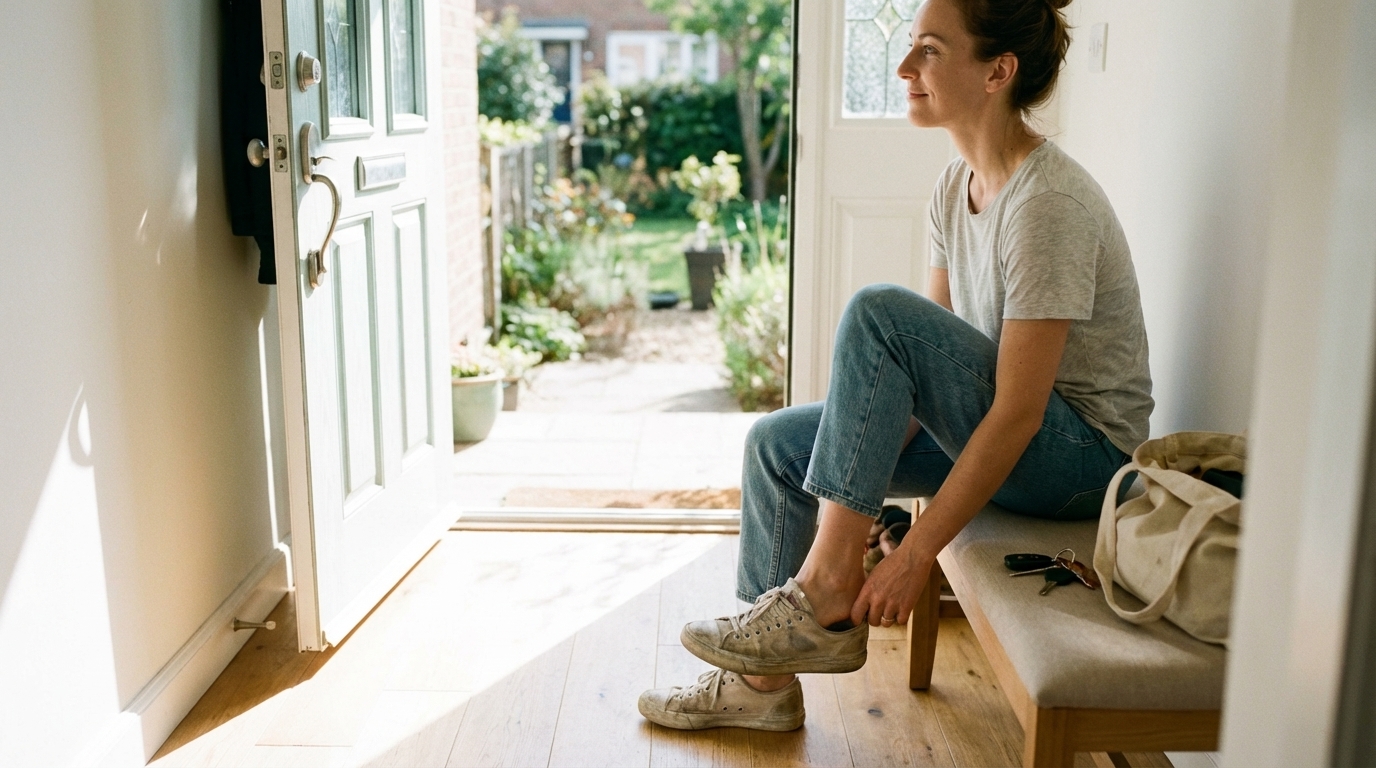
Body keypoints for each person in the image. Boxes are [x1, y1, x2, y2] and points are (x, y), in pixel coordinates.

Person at [637, 0, 1152, 732]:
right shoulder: (954, 186)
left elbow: (1018, 411)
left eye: (930, 51)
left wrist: (917, 554)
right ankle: (761, 687)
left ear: (996, 72)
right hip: (1012, 437)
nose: (905, 67)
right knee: (777, 447)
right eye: (911, 47)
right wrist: (870, 471)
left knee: (878, 310)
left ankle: (822, 591)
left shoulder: (1049, 205)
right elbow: (921, 368)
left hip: (1082, 464)